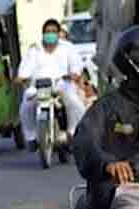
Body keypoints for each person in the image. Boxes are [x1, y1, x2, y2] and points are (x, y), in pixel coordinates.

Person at [73, 26, 139, 209]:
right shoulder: (107, 107)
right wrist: (108, 163)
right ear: (131, 64)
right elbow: (85, 141)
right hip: (121, 190)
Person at [16, 18, 87, 151]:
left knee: (75, 103)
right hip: (38, 86)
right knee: (26, 104)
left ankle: (72, 133)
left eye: (53, 31)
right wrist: (21, 77)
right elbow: (25, 70)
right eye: (47, 31)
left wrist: (74, 74)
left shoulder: (67, 48)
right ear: (43, 33)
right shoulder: (34, 49)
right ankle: (31, 137)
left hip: (61, 84)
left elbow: (76, 66)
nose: (50, 34)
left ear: (59, 33)